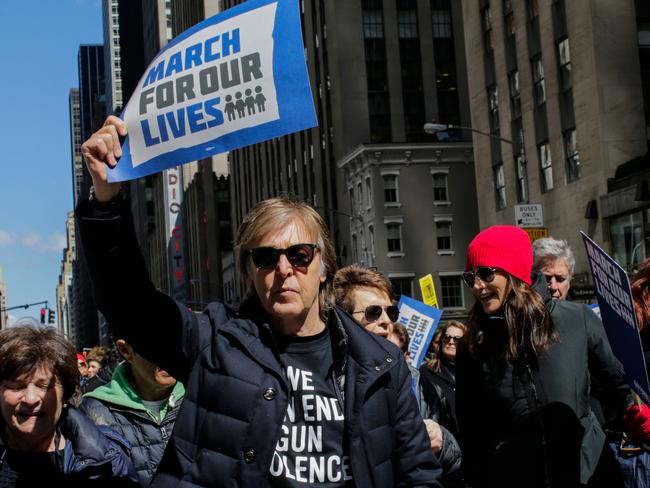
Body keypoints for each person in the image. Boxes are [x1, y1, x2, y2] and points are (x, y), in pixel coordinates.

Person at [75, 116, 441, 487]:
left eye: (299, 255)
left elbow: (418, 474)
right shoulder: (214, 341)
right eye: (265, 257)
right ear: (249, 271)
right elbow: (129, 304)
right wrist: (106, 201)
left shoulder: (380, 363)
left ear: (324, 266)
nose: (283, 269)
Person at [456, 225, 641, 487]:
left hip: (587, 475)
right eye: (470, 277)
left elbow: (622, 387)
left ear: (514, 271)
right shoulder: (474, 343)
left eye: (485, 274)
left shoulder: (576, 319)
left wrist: (636, 412)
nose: (476, 286)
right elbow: (472, 433)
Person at [333, 264, 460, 485]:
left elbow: (453, 461)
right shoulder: (327, 379)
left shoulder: (417, 382)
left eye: (391, 312)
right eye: (373, 312)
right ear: (343, 318)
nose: (386, 321)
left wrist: (442, 440)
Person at [0, 326, 138, 486]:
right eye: (17, 386)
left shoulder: (108, 459)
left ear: (65, 394)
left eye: (44, 386)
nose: (30, 399)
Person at [80, 339, 185, 486]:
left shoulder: (203, 396)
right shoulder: (92, 413)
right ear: (126, 351)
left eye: (176, 340)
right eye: (157, 343)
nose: (170, 354)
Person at [419, 321, 465, 437]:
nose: (451, 342)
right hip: (443, 438)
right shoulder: (426, 371)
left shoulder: (474, 371)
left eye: (457, 339)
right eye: (447, 338)